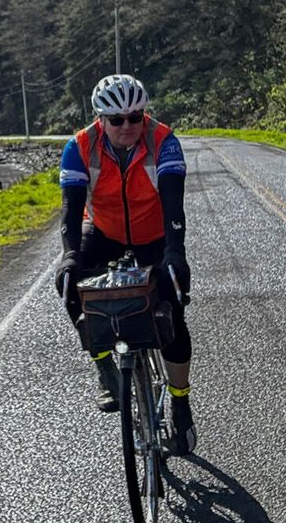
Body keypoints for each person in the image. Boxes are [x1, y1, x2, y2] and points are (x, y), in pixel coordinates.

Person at [54, 74, 195, 453]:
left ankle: (180, 401)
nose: (127, 126)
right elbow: (70, 212)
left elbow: (174, 205)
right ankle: (104, 367)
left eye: (135, 117)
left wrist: (175, 252)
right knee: (68, 282)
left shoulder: (163, 141)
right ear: (100, 119)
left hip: (155, 234)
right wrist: (69, 256)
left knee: (172, 310)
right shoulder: (80, 147)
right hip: (105, 231)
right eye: (117, 120)